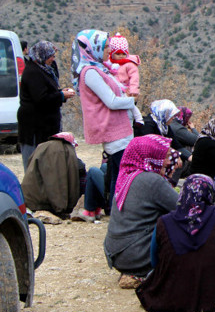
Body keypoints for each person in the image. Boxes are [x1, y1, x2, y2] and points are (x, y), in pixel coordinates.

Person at [136, 175, 215, 312]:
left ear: (183, 193)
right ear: (210, 194)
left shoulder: (164, 222)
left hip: (172, 296)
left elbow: (154, 260)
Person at [73, 29, 141, 213]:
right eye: (105, 47)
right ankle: (117, 211)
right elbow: (110, 101)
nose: (109, 51)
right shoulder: (90, 73)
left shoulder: (99, 69)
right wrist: (131, 101)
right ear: (92, 48)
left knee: (116, 173)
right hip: (112, 130)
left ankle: (113, 209)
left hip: (117, 129)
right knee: (122, 173)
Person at [104, 135, 181, 289]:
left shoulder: (127, 176)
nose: (168, 162)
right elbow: (184, 209)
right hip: (135, 256)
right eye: (165, 156)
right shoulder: (151, 180)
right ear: (152, 156)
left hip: (116, 252)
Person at [17, 41, 76, 169]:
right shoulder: (32, 72)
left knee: (46, 164)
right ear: (43, 56)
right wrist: (61, 95)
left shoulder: (43, 69)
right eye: (51, 56)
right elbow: (41, 98)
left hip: (43, 126)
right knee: (33, 164)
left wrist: (60, 92)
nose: (53, 59)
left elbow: (48, 91)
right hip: (33, 127)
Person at [21, 132, 84, 218]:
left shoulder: (43, 146)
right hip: (40, 204)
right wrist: (61, 209)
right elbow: (55, 182)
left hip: (30, 199)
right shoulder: (60, 150)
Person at [107, 33, 140, 98]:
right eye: (118, 54)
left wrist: (133, 90)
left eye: (123, 54)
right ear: (112, 54)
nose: (121, 56)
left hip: (125, 90)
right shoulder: (108, 64)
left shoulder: (129, 64)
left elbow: (134, 77)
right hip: (112, 91)